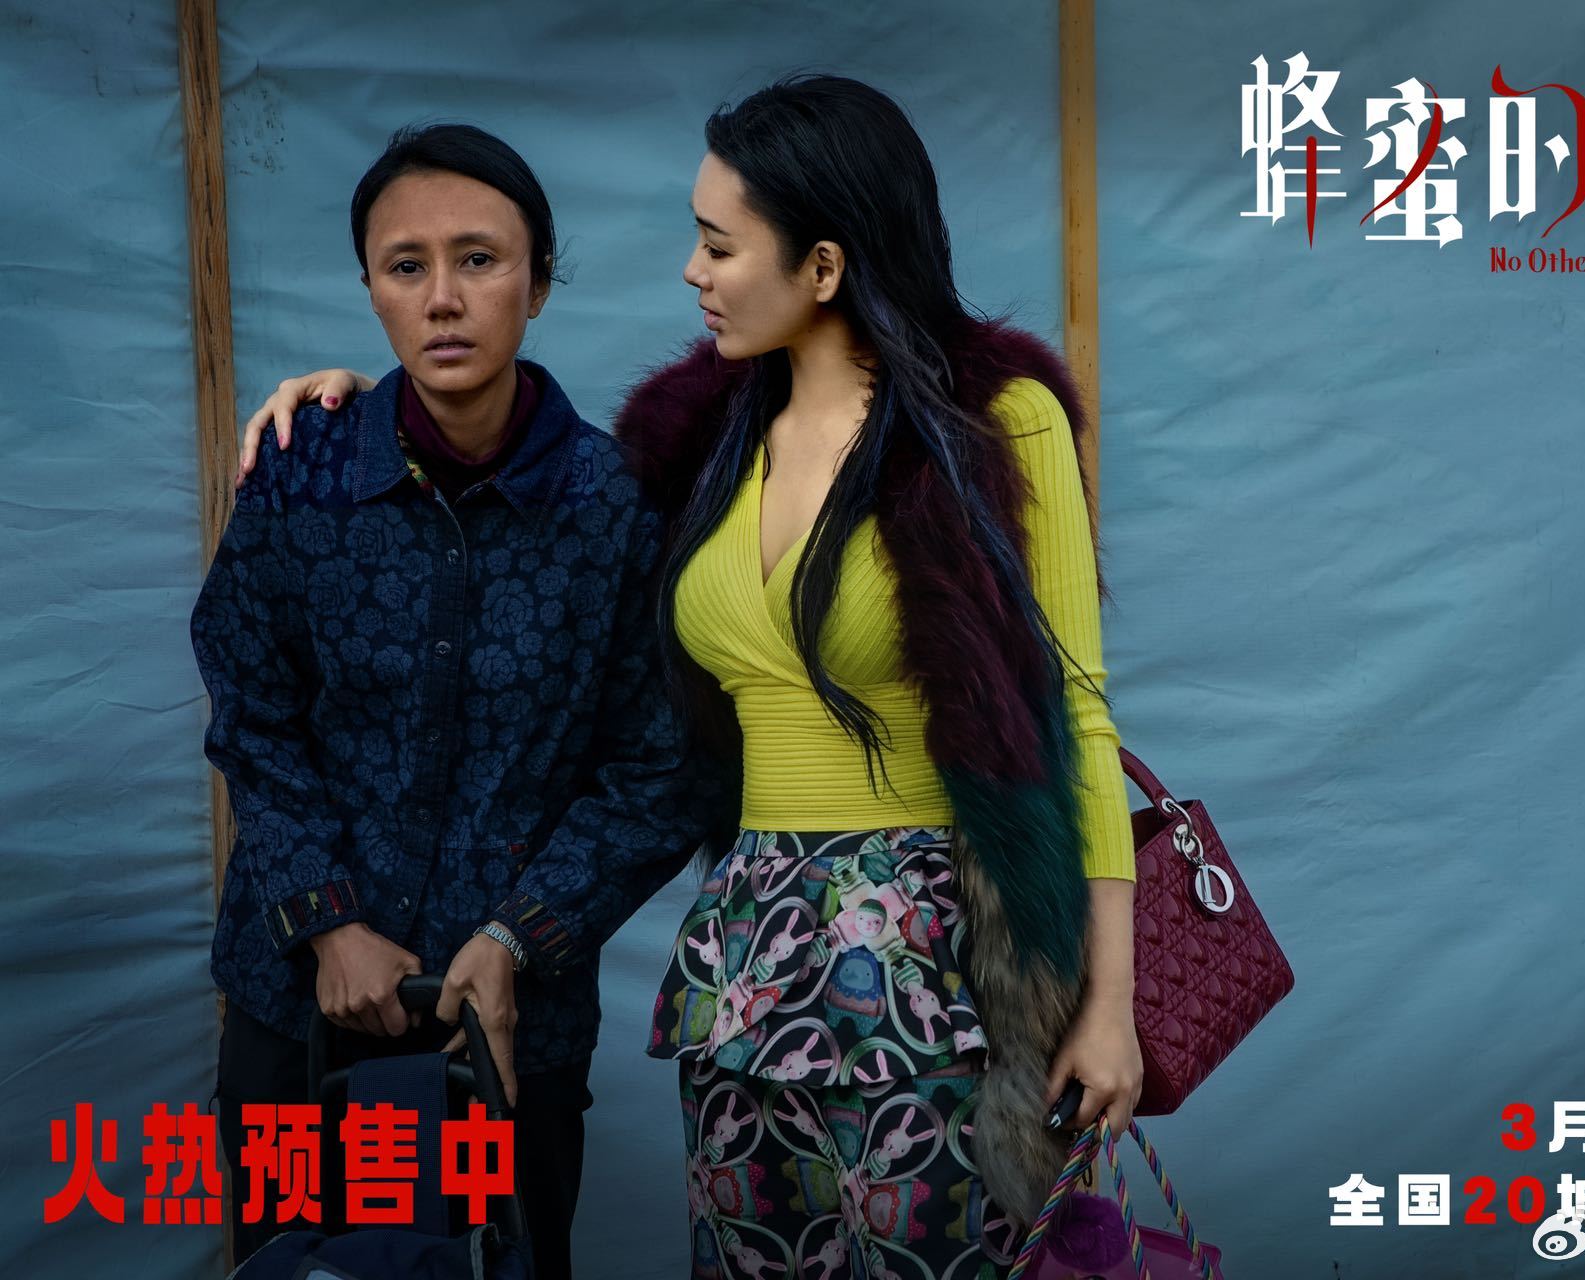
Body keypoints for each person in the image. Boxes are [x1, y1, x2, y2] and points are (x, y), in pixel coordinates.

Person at [240, 75, 1142, 1278]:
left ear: (823, 266)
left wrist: (1108, 1002)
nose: (691, 270)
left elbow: (1077, 709)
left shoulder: (994, 419)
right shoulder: (698, 437)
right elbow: (491, 499)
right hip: (749, 950)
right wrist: (357, 407)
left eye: (719, 245)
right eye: (696, 239)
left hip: (934, 953)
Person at [193, 123, 711, 1279]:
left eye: (479, 259)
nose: (442, 298)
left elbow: (658, 769)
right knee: (302, 1266)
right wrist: (327, 921)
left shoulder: (618, 506)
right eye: (405, 265)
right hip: (296, 1009)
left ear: (539, 280)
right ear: (371, 288)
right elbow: (252, 715)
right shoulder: (301, 471)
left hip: (511, 1027)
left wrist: (514, 939)